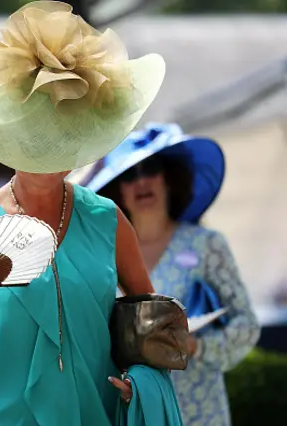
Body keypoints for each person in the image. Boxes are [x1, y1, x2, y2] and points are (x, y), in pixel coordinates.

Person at [0, 2, 182, 425]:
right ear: (10, 132)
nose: (52, 146)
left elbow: (151, 324)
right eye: (38, 132)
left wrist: (142, 383)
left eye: (66, 131)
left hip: (96, 411)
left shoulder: (107, 219)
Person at [83, 122, 260, 426]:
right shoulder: (102, 255)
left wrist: (194, 347)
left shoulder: (206, 245)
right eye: (128, 174)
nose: (141, 182)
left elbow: (247, 327)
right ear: (116, 190)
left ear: (169, 177)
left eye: (150, 168)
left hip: (199, 410)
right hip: (128, 409)